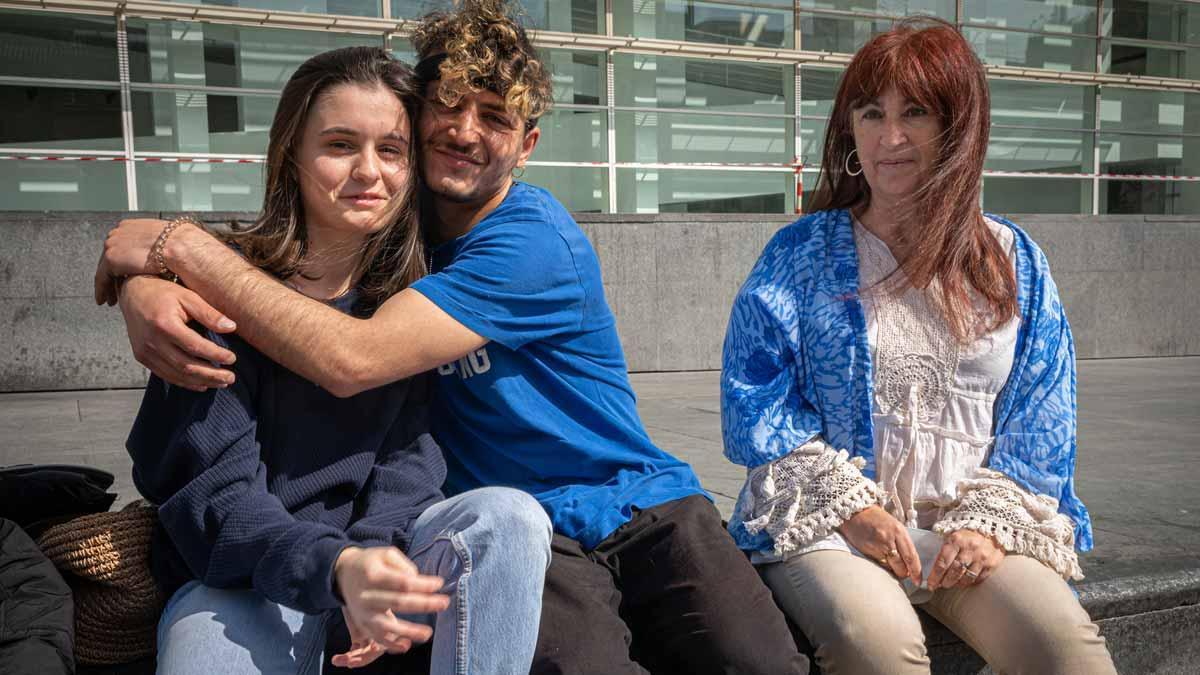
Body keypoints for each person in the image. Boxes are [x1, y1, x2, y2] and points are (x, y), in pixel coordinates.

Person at [94, 1, 808, 673]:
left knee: (761, 663)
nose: (465, 130)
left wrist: (173, 248)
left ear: (526, 147)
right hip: (491, 541)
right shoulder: (400, 258)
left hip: (635, 504)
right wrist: (149, 285)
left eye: (494, 116)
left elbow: (358, 366)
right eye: (448, 104)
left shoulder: (522, 244)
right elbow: (217, 485)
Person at [123, 46, 552, 675]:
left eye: (390, 150)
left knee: (509, 518)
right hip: (246, 582)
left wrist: (372, 559)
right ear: (291, 154)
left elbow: (411, 460)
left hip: (376, 565)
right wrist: (336, 568)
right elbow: (215, 499)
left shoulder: (409, 301)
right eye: (340, 144)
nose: (368, 172)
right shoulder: (211, 295)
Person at [720, 18, 1119, 674]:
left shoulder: (1014, 261)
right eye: (872, 113)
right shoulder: (801, 254)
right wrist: (852, 509)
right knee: (877, 643)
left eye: (917, 113)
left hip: (967, 529)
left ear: (957, 129)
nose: (891, 137)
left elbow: (1041, 417)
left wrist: (989, 523)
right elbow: (754, 399)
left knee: (1067, 650)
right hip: (831, 525)